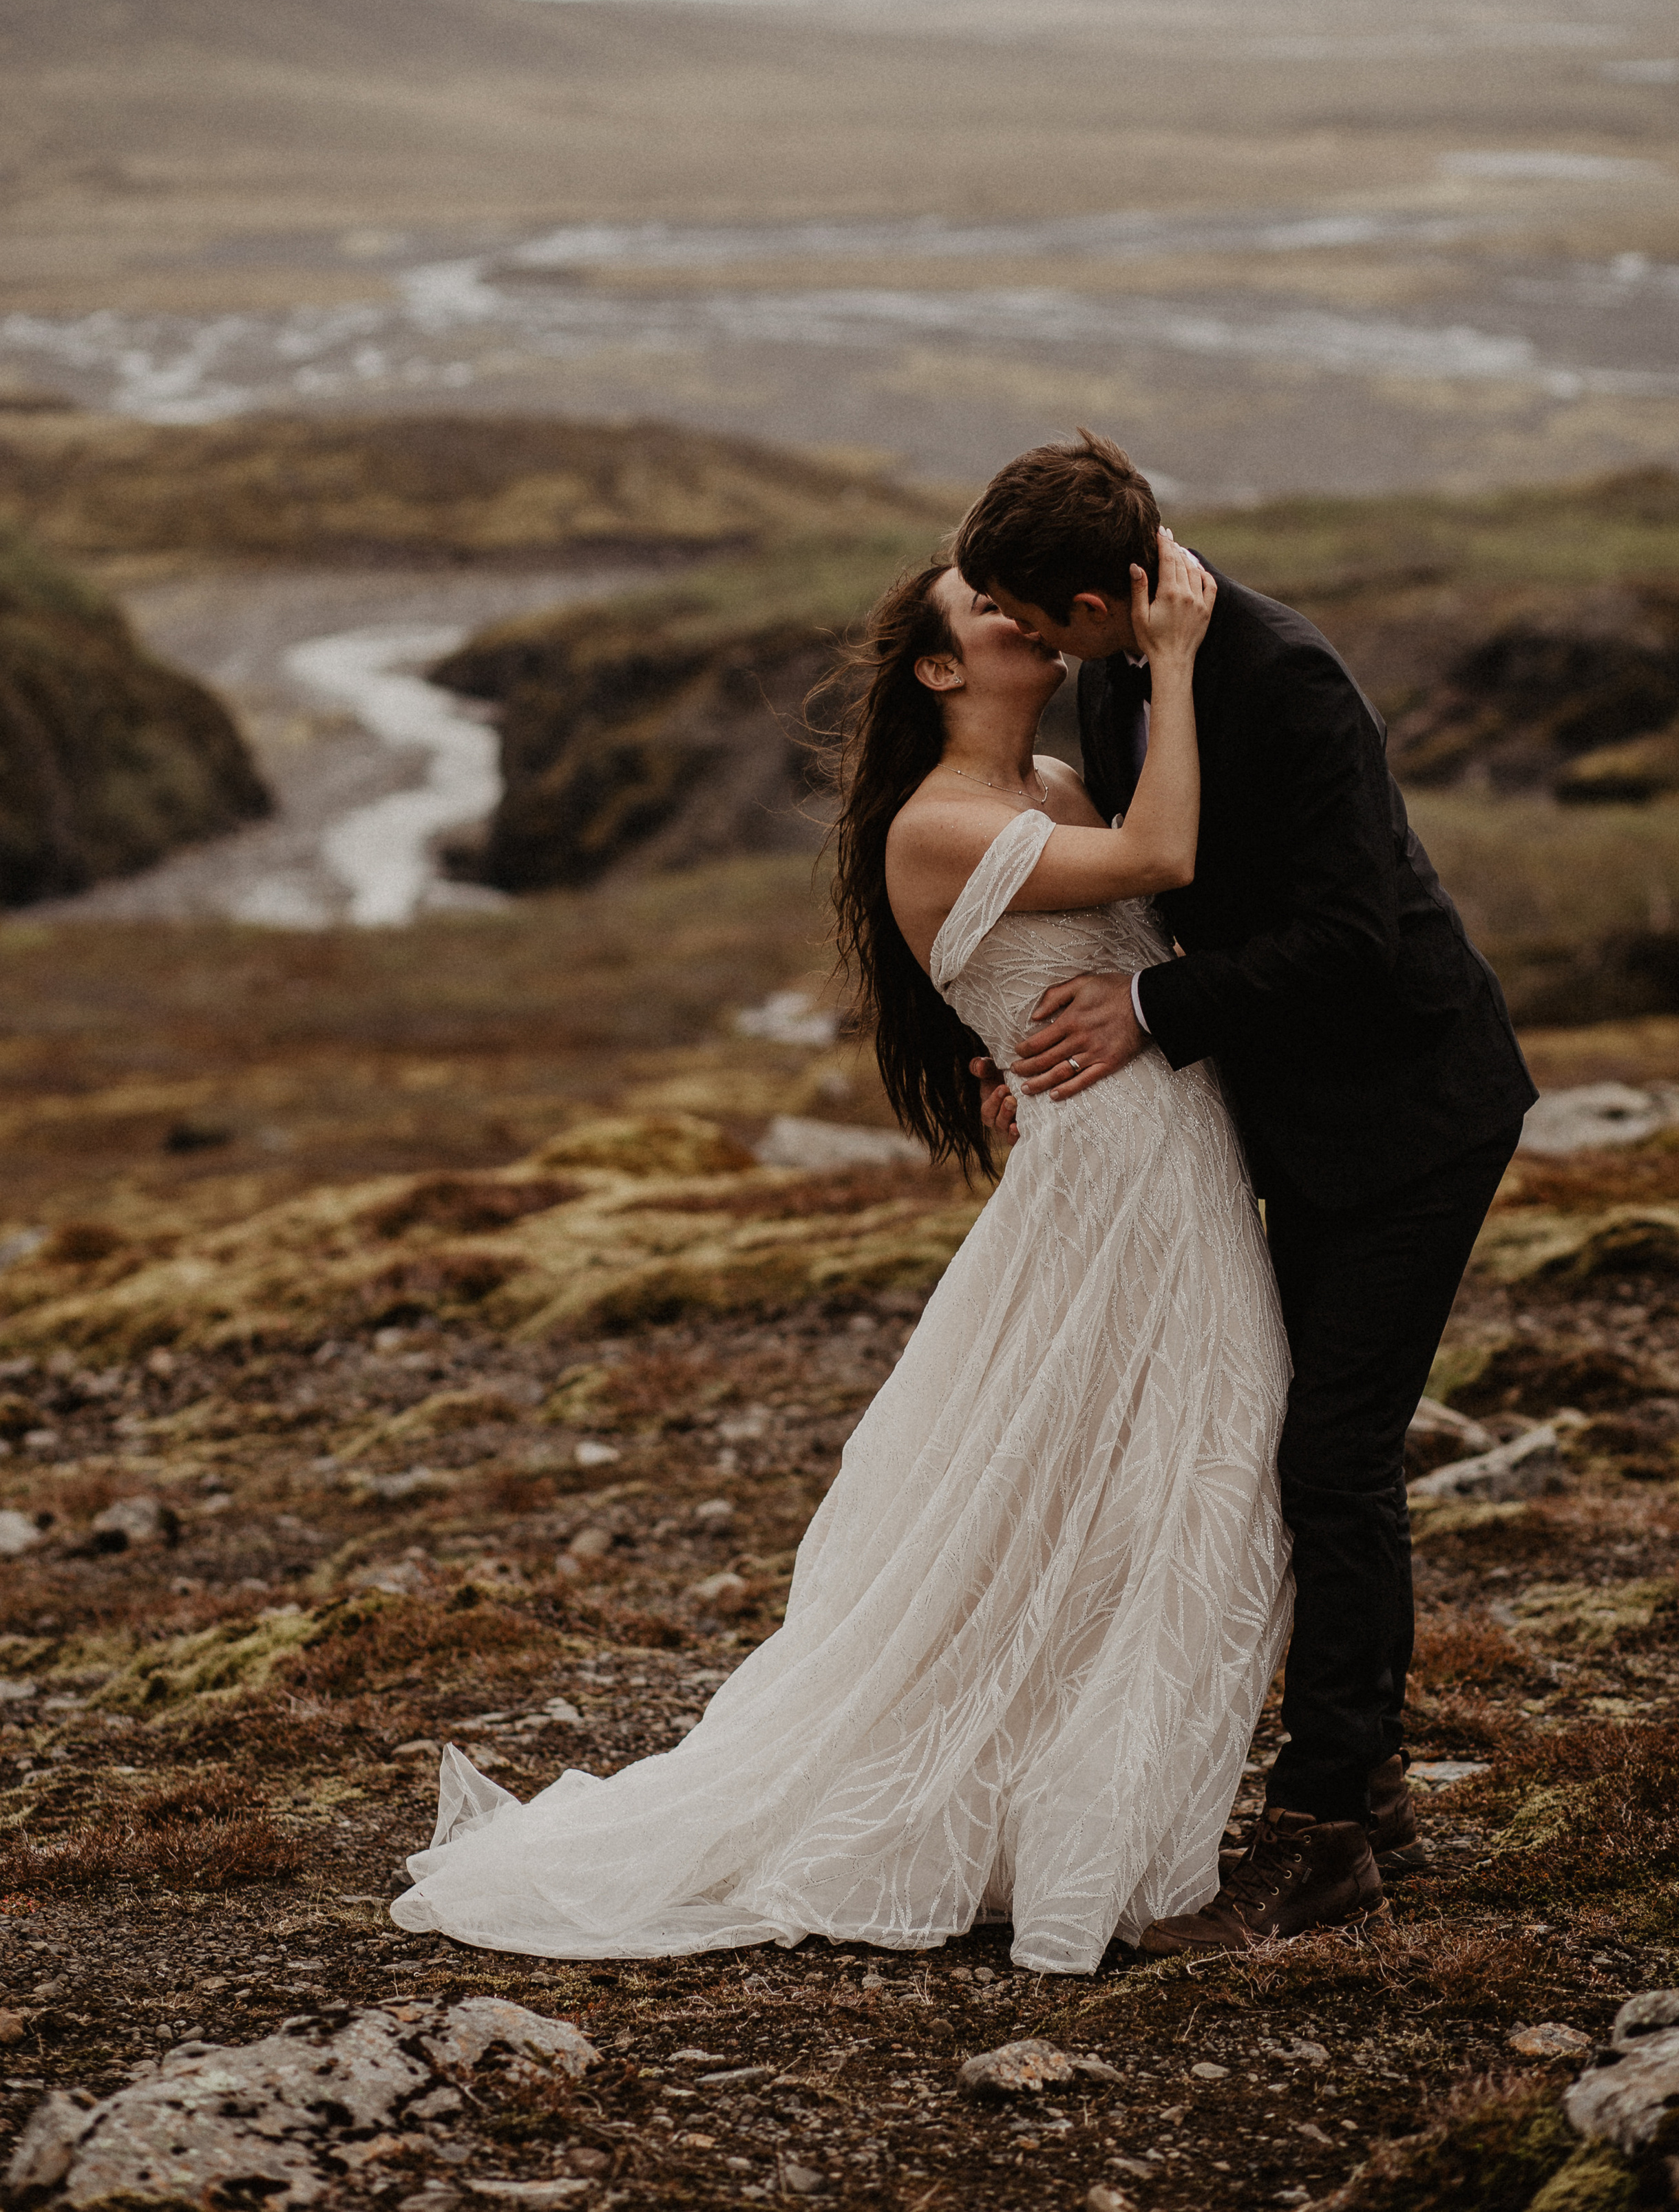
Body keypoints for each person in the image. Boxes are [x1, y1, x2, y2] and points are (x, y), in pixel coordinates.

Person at [388, 528, 1295, 1975]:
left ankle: (1078, 1825)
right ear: (940, 666)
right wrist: (1175, 657)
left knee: (1162, 1481)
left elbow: (1147, 913)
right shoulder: (934, 822)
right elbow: (1163, 858)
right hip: (1116, 1181)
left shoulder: (1051, 784)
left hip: (1165, 1164)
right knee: (1161, 1471)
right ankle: (1074, 1840)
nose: (1018, 623)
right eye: (986, 615)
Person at [955, 431, 1536, 1949]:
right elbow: (1161, 901)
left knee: (1328, 1459)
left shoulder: (1284, 676)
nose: (1017, 643)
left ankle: (1326, 1829)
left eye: (1031, 618)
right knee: (1256, 1440)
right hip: (1276, 1121)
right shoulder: (1112, 673)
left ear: (1096, 594)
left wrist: (1147, 1022)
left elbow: (1352, 936)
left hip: (1410, 1115)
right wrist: (1039, 1041)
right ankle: (1368, 1786)